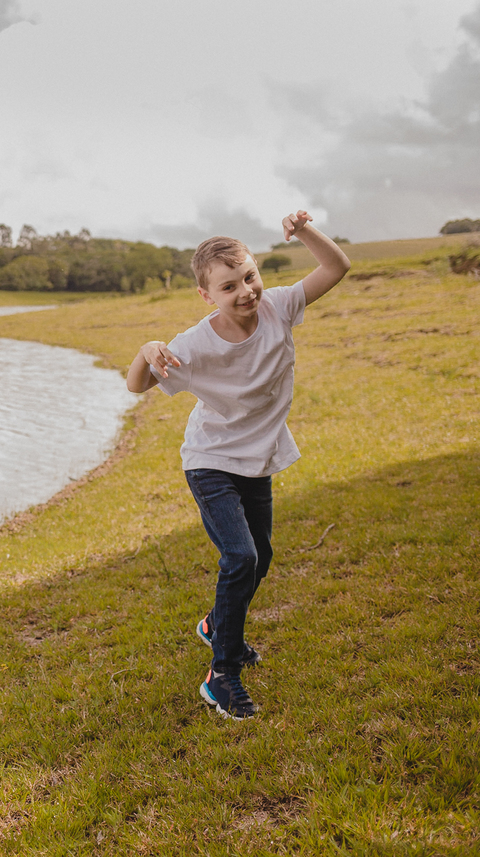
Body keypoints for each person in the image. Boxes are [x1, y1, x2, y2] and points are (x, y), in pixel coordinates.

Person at [125, 211, 350, 720]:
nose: (246, 291)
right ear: (208, 296)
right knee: (241, 557)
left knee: (261, 558)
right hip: (210, 462)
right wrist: (145, 349)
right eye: (229, 287)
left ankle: (215, 624)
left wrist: (306, 231)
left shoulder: (279, 307)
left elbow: (336, 267)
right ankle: (222, 673)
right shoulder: (193, 344)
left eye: (249, 276)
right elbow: (137, 385)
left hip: (257, 459)